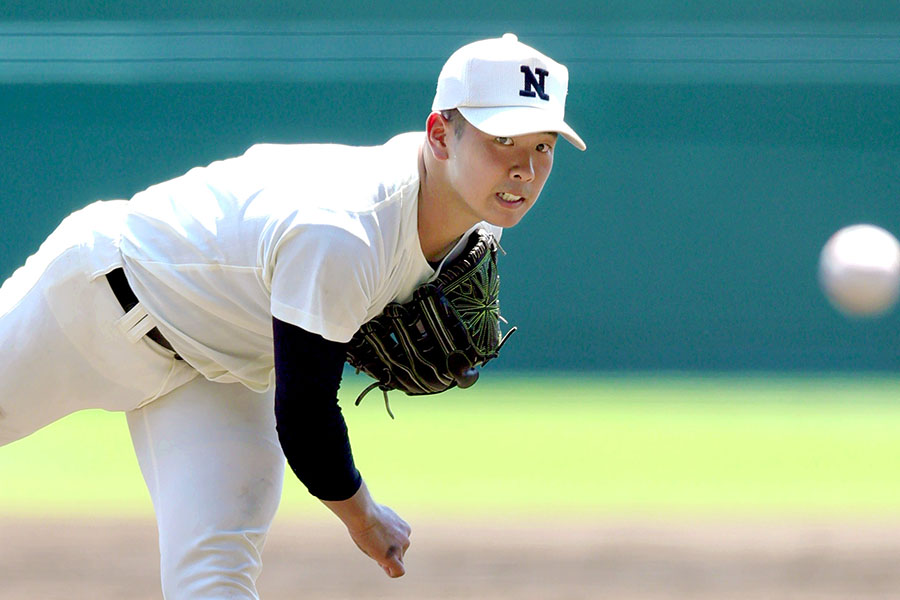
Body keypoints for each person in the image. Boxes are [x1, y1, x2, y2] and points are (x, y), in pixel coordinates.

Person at [0, 33, 585, 598]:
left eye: (542, 146)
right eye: (501, 141)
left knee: (216, 576)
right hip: (98, 300)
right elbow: (305, 416)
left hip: (222, 368)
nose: (524, 169)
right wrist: (364, 518)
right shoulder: (345, 229)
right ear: (439, 135)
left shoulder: (467, 226)